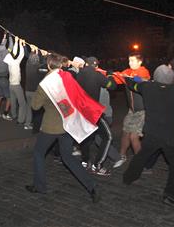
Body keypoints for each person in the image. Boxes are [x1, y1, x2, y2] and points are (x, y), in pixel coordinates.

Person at [25, 53, 100, 203]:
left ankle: (40, 186)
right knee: (68, 157)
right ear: (61, 65)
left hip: (51, 127)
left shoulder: (45, 84)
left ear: (48, 65)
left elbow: (35, 106)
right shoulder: (67, 78)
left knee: (39, 153)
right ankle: (91, 186)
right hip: (68, 124)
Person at [122, 65, 174, 208]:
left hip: (152, 132)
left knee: (142, 156)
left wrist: (129, 78)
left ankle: (128, 177)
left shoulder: (147, 88)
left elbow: (133, 85)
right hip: (171, 134)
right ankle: (171, 194)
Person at [76, 56, 117, 175]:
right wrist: (109, 75)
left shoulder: (79, 74)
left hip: (82, 110)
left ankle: (84, 162)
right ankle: (97, 165)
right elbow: (112, 86)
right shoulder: (97, 75)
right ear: (97, 66)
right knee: (108, 137)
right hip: (93, 111)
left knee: (86, 136)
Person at [111, 53, 151, 166]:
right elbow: (117, 78)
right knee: (125, 133)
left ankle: (140, 162)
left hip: (142, 111)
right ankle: (121, 156)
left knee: (134, 136)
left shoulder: (144, 71)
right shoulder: (128, 71)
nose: (130, 63)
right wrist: (109, 75)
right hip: (131, 110)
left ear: (140, 62)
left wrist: (128, 77)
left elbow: (141, 80)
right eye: (129, 61)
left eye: (133, 61)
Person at [3, 36, 27, 122]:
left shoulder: (10, 62)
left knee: (13, 102)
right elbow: (21, 54)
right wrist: (18, 43)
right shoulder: (16, 62)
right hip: (16, 86)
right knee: (22, 103)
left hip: (11, 85)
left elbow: (14, 53)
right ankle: (20, 120)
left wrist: (17, 43)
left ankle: (13, 115)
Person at [23, 45, 47, 130]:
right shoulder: (39, 68)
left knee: (29, 107)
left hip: (27, 91)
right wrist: (44, 56)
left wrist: (33, 50)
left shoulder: (27, 64)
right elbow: (44, 65)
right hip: (35, 92)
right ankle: (39, 127)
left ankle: (27, 124)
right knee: (39, 109)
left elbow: (28, 56)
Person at [0, 33, 11, 118]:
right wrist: (10, 37)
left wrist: (5, 35)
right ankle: (6, 113)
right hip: (3, 79)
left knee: (0, 96)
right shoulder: (6, 53)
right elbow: (10, 46)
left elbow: (2, 44)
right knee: (9, 97)